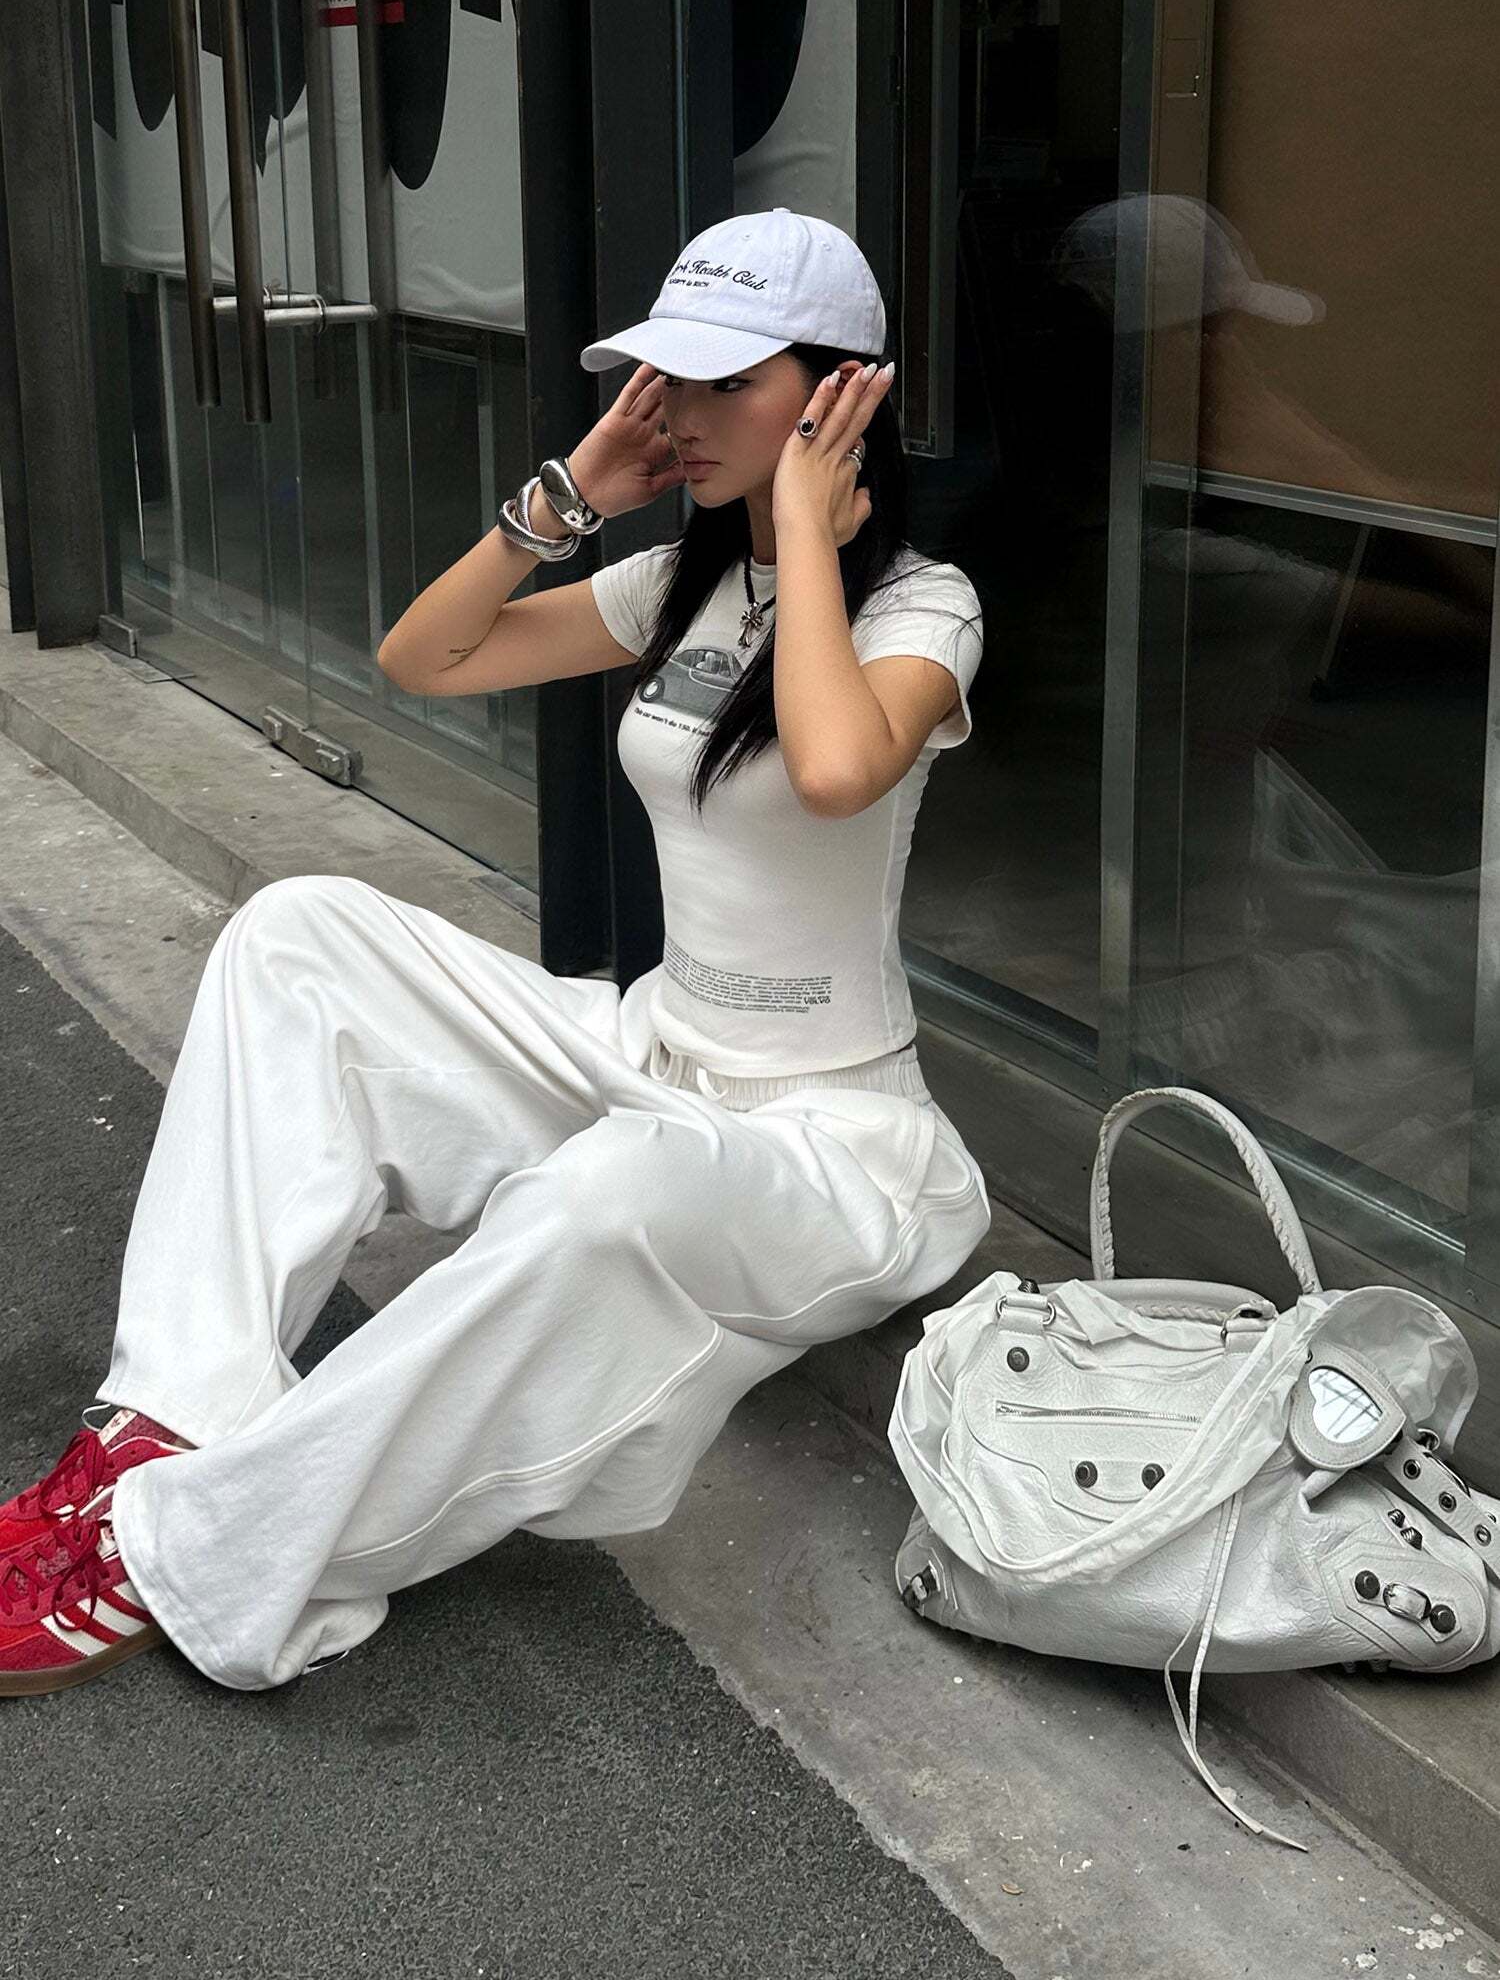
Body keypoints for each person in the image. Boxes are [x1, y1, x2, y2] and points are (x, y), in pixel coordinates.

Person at [0, 206, 990, 1697]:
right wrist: (568, 498)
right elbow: (426, 659)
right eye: (672, 377)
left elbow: (840, 769)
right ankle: (164, 1422)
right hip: (646, 1057)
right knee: (300, 933)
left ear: (841, 395)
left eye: (728, 384)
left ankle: (185, 1550)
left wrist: (803, 530)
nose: (684, 413)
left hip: (829, 1147)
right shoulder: (678, 584)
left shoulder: (926, 605)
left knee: (615, 1185)